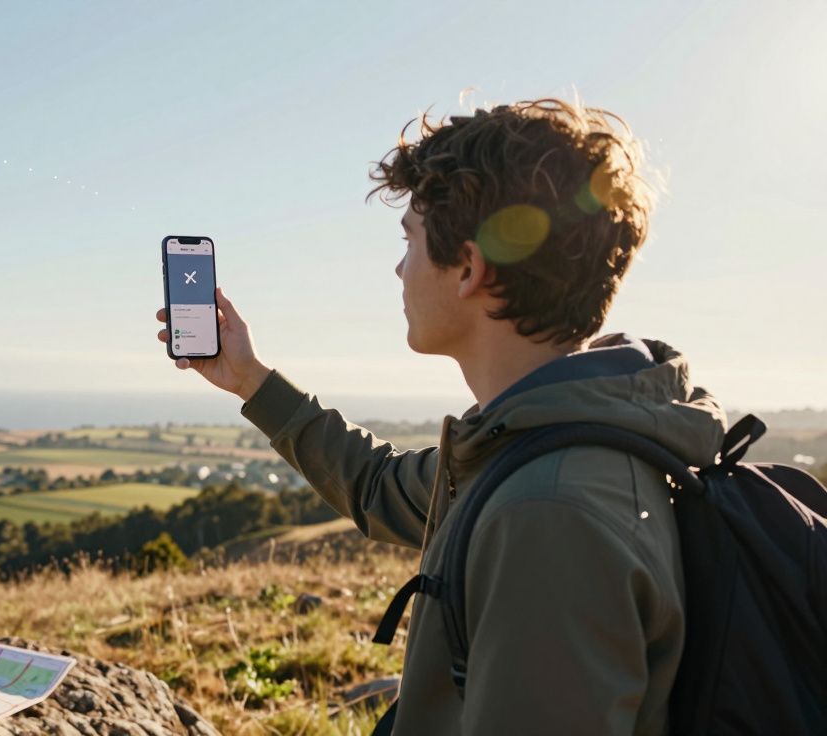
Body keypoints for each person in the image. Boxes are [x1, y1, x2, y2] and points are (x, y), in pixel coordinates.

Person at [153, 98, 727, 735]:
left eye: (411, 240)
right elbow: (380, 486)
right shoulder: (538, 444)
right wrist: (250, 380)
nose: (400, 267)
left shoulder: (548, 514)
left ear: (469, 269)